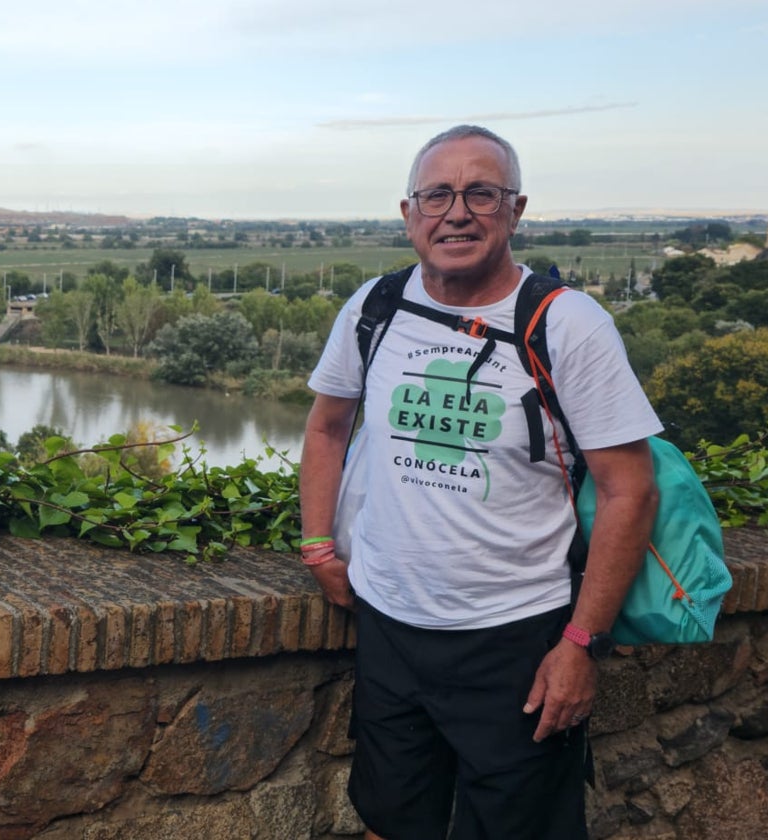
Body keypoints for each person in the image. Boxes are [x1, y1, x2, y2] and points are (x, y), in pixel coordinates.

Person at [299, 125, 662, 840]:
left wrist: (581, 644)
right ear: (409, 213)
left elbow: (632, 492)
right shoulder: (375, 307)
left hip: (518, 638)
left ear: (516, 210)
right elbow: (326, 428)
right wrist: (318, 548)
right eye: (437, 194)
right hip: (391, 625)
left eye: (481, 194)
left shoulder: (569, 325)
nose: (456, 212)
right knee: (390, 822)